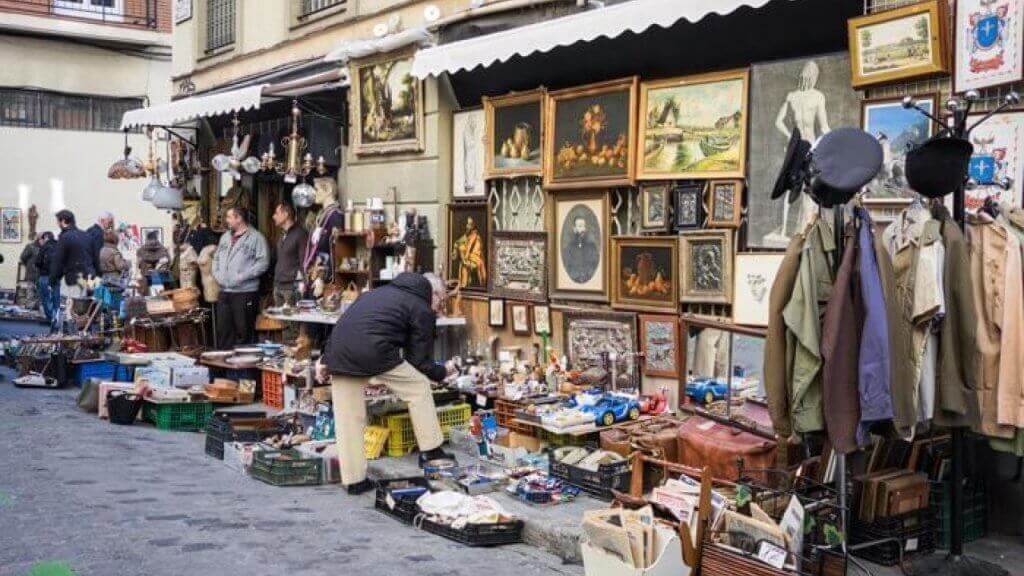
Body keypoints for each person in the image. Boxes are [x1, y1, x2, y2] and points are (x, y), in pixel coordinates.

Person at [325, 272, 456, 494]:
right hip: (374, 351)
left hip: (338, 352)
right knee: (418, 388)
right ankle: (431, 450)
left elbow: (346, 324)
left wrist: (324, 358)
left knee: (349, 418)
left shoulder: (376, 293)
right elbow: (419, 362)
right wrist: (442, 372)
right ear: (431, 293)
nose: (439, 306)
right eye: (441, 299)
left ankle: (354, 481)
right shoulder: (421, 307)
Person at [212, 207, 269, 349]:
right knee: (223, 332)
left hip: (245, 292)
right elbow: (216, 258)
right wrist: (217, 274)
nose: (226, 220)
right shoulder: (225, 237)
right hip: (224, 291)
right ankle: (224, 367)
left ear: (239, 218)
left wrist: (243, 276)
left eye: (229, 217)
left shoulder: (256, 238)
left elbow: (263, 263)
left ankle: (242, 370)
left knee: (243, 333)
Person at [271, 202, 308, 342]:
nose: (273, 216)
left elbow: (305, 262)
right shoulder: (282, 235)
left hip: (292, 288)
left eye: (276, 213)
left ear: (286, 214)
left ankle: (294, 358)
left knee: (294, 327)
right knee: (284, 325)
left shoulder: (300, 234)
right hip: (279, 285)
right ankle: (288, 356)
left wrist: (302, 287)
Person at [50, 210, 98, 307]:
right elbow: (95, 258)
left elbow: (58, 261)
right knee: (86, 311)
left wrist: (52, 280)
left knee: (71, 311)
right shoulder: (87, 236)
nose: (57, 224)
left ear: (63, 221)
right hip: (90, 277)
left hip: (74, 278)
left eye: (58, 221)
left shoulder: (65, 237)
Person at [452, 217, 485, 288]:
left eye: (470, 224)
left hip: (474, 265)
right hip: (466, 264)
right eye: (467, 224)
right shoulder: (464, 238)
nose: (468, 226)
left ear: (473, 226)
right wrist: (456, 249)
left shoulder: (476, 238)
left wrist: (466, 259)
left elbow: (477, 256)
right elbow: (456, 251)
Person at [565, 216, 599, 283]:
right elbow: (568, 268)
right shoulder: (568, 248)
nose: (583, 229)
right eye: (580, 226)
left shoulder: (592, 247)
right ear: (574, 229)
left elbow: (595, 266)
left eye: (584, 226)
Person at [33, 232, 58, 322]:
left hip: (45, 276)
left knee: (46, 297)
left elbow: (38, 262)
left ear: (45, 238)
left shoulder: (44, 247)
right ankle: (56, 317)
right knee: (56, 297)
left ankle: (50, 318)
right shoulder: (59, 245)